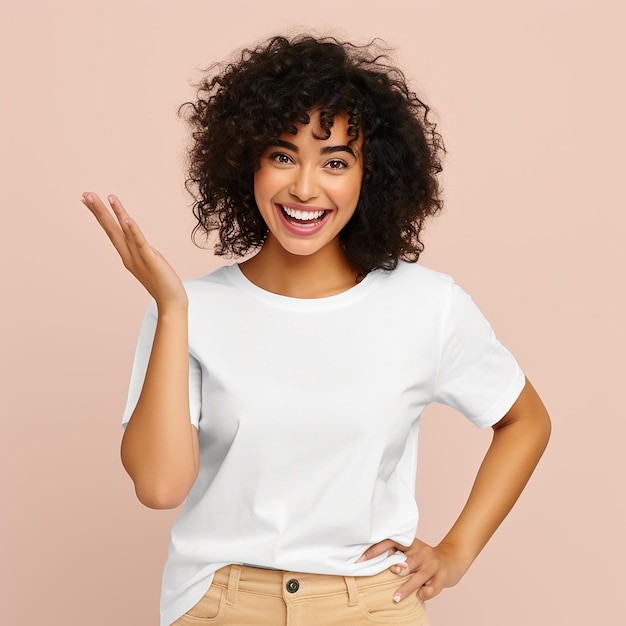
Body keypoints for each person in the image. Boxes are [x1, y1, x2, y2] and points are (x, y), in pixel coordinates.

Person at [82, 35, 551, 626]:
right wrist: (172, 309)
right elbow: (158, 486)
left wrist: (456, 553)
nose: (304, 188)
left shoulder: (427, 305)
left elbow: (525, 421)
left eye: (335, 161)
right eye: (282, 155)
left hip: (372, 605)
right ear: (245, 162)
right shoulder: (189, 309)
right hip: (220, 603)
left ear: (370, 175)